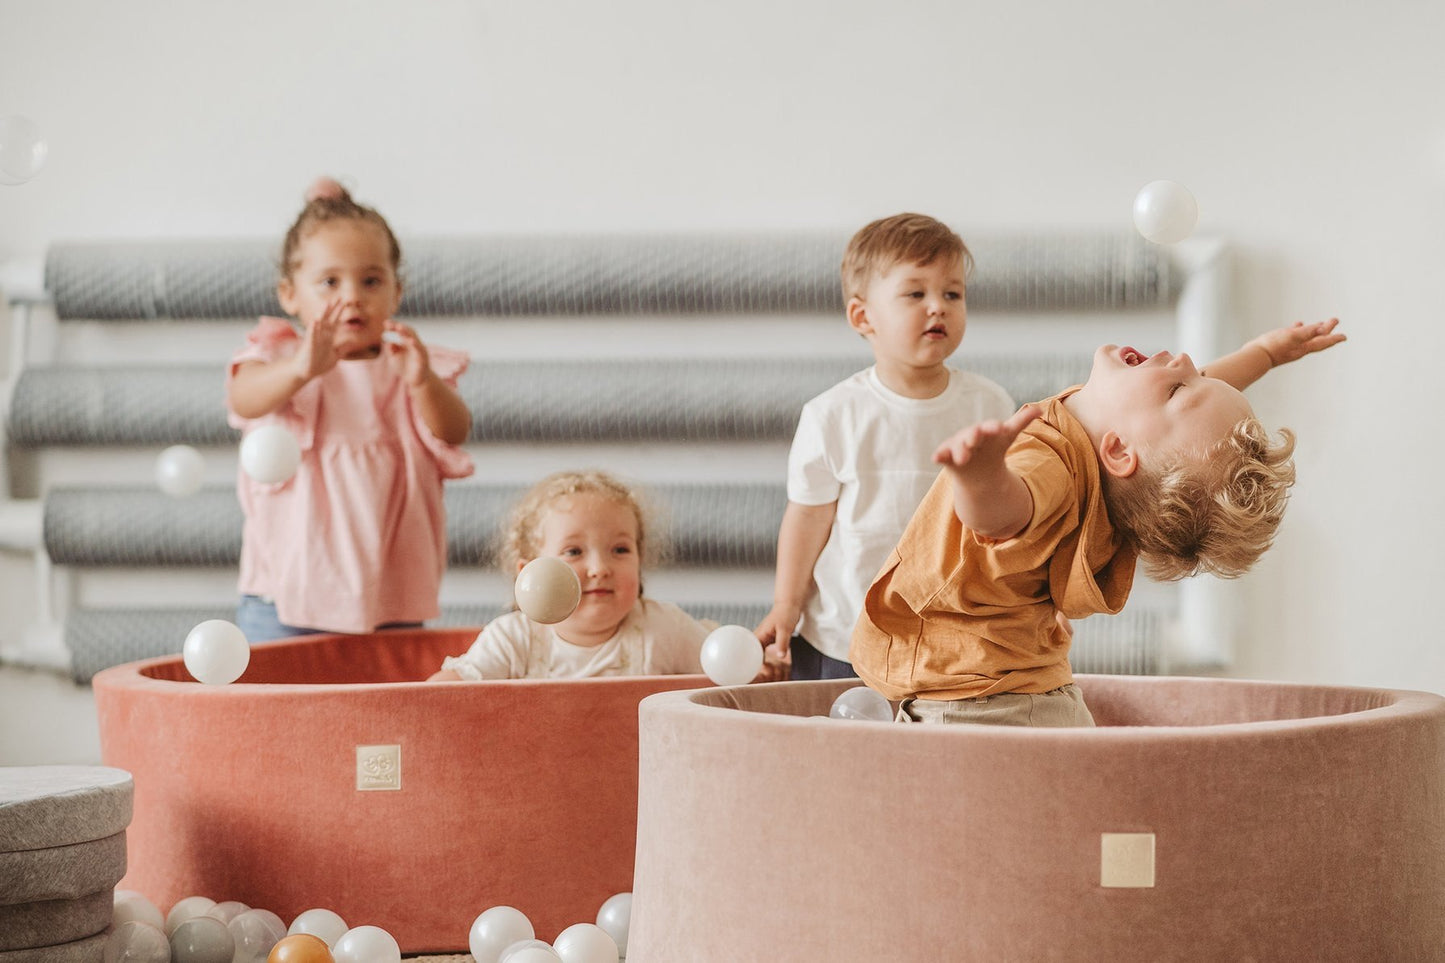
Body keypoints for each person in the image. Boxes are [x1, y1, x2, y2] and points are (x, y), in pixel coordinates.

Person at [851, 319, 1347, 726]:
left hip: (973, 713)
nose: (1190, 363)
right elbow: (1187, 418)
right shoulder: (1114, 473)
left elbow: (1008, 516)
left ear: (1119, 450)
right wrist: (1264, 354)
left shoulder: (1051, 467)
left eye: (1178, 388)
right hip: (1038, 699)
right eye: (1195, 378)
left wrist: (979, 478)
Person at [753, 213, 1015, 680]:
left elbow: (1012, 519)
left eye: (952, 294)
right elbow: (808, 516)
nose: (938, 307)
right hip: (844, 634)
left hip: (955, 637)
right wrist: (785, 605)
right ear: (862, 316)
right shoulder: (832, 414)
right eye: (915, 294)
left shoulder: (988, 404)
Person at [226, 177, 474, 642]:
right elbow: (242, 397)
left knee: (383, 711)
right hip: (283, 597)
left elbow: (455, 430)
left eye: (371, 280)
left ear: (397, 293)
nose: (352, 296)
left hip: (389, 596)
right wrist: (301, 368)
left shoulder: (409, 367)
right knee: (276, 710)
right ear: (289, 294)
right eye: (329, 282)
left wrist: (422, 383)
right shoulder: (278, 359)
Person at [430, 470, 716, 680]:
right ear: (527, 575)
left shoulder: (664, 629)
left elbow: (727, 674)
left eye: (620, 549)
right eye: (574, 552)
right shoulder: (514, 639)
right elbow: (449, 691)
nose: (600, 568)